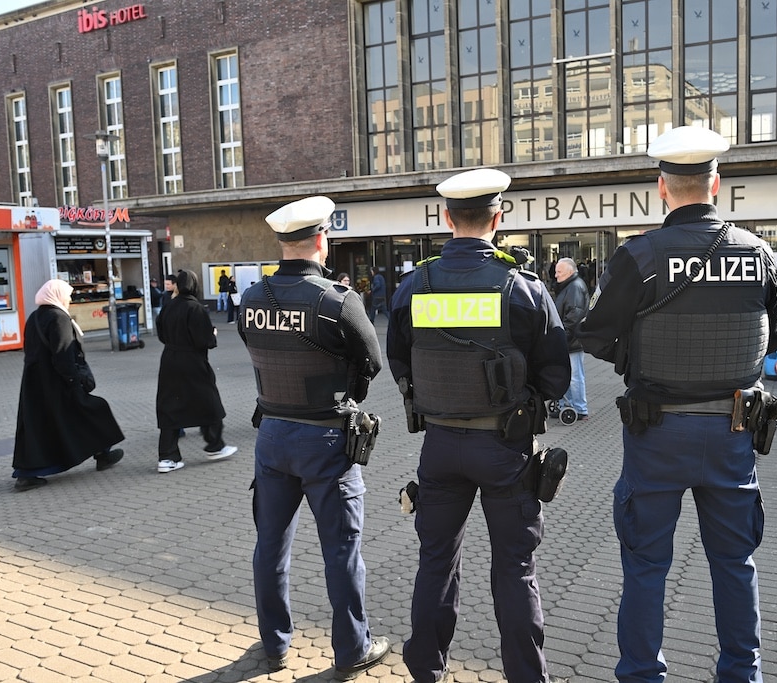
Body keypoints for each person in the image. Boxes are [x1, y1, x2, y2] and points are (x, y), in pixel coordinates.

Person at [578, 126, 777, 683]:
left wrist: (641, 353)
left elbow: (595, 337)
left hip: (657, 434)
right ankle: (742, 675)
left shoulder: (639, 255)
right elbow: (775, 336)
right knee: (735, 565)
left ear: (661, 187)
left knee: (646, 566)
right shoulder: (760, 254)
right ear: (716, 183)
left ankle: (643, 675)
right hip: (733, 433)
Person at [387, 168, 570, 683]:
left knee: (435, 562)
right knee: (515, 569)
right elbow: (556, 374)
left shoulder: (414, 285)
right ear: (499, 217)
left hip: (439, 446)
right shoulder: (524, 287)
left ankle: (425, 670)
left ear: (447, 218)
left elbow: (399, 362)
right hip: (505, 448)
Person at [238, 196, 389, 679]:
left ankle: (274, 644)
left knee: (270, 548)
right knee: (342, 553)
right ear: (322, 240)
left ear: (283, 243)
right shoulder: (337, 300)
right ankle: (351, 650)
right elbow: (373, 362)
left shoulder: (253, 298)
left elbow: (254, 347)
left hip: (273, 436)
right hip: (326, 440)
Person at [11, 279, 124, 491]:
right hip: (57, 383)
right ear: (57, 295)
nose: (70, 299)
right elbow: (63, 356)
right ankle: (103, 454)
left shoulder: (35, 317)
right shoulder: (58, 318)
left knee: (39, 426)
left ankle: (27, 473)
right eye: (68, 295)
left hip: (35, 383)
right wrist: (74, 383)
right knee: (93, 410)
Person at [155, 269, 237, 473]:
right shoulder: (196, 308)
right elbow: (205, 340)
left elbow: (161, 334)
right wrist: (213, 334)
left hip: (169, 359)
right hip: (192, 361)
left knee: (169, 405)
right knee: (209, 401)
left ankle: (167, 456)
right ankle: (214, 445)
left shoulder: (168, 307)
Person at [553, 257, 590, 420]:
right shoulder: (569, 286)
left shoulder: (574, 287)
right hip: (570, 339)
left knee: (575, 376)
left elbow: (574, 317)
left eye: (559, 272)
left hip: (571, 341)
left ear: (569, 272)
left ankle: (580, 408)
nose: (555, 275)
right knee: (569, 375)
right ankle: (567, 405)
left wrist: (560, 337)